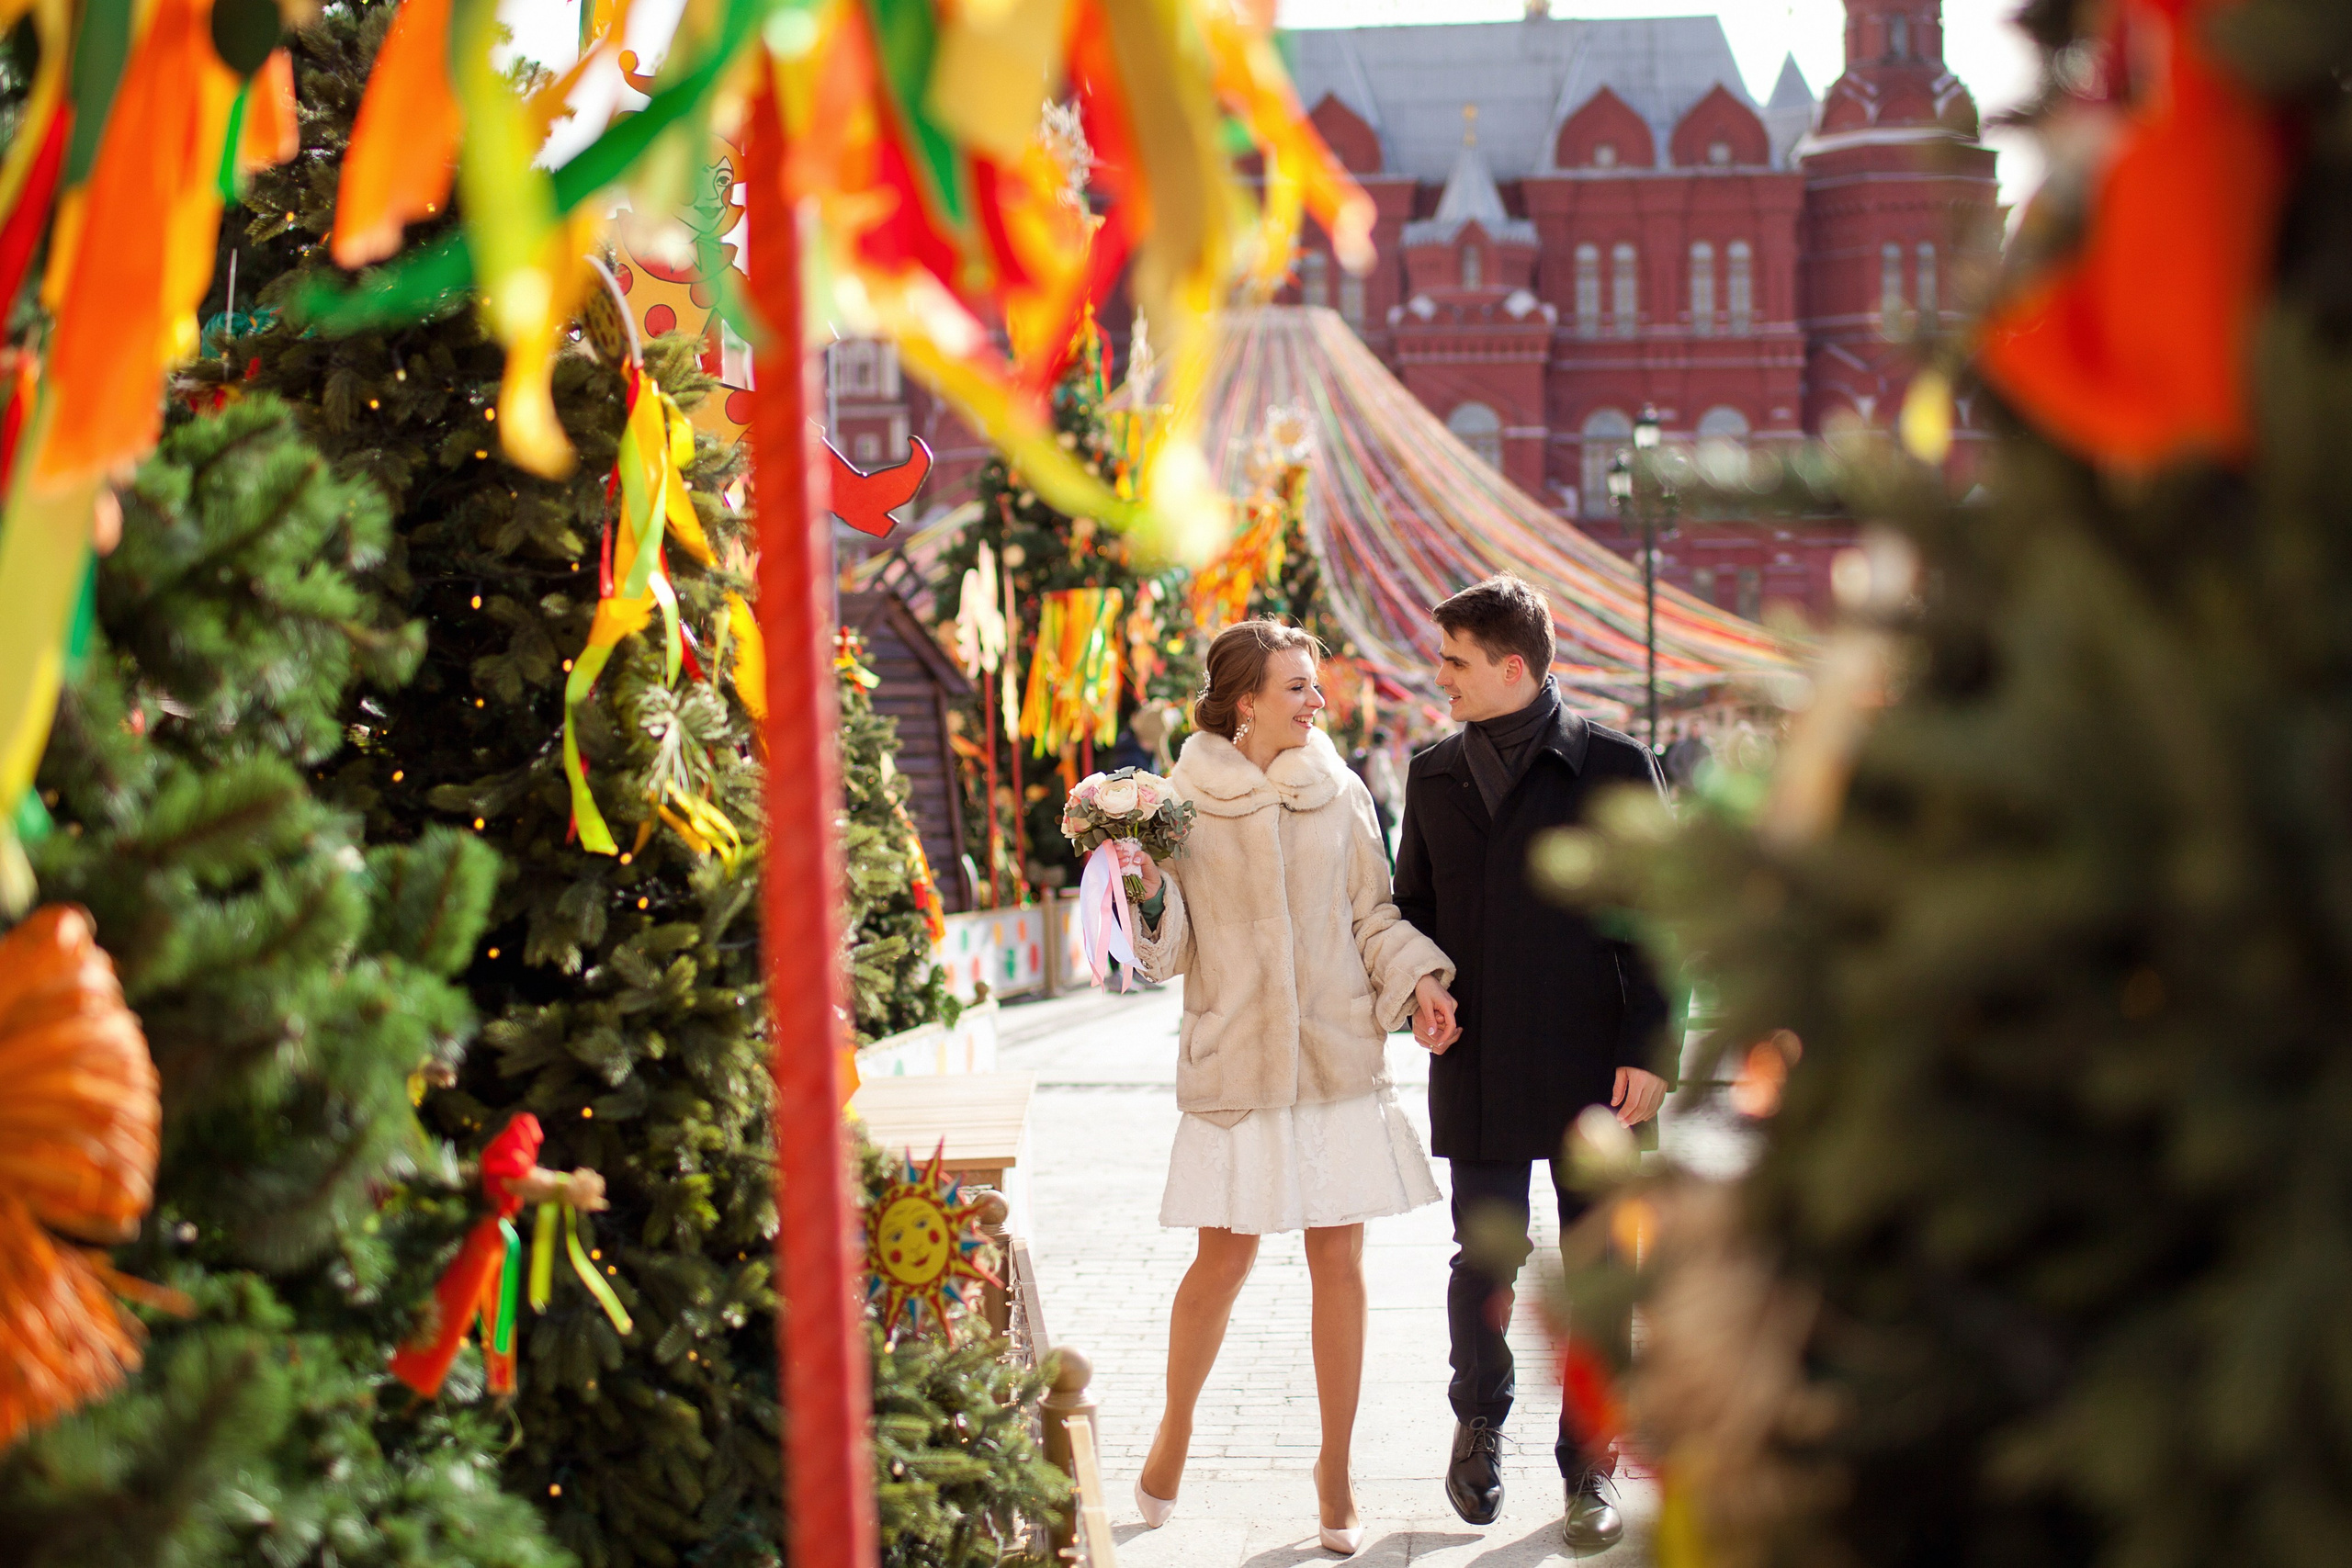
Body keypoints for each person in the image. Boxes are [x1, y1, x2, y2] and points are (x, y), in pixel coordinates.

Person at [1117, 619, 1461, 1556]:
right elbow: (1166, 950)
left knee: (1337, 1264)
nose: (1318, 702)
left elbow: (1372, 912)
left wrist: (1420, 982)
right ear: (1245, 702)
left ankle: (1336, 1468)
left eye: (1315, 686)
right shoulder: (1176, 802)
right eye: (1298, 687)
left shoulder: (1339, 788)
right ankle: (1175, 1428)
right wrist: (1143, 888)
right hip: (1236, 1060)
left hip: (1332, 1058)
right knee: (1221, 1262)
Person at [1391, 574, 1673, 1551]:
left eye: (1455, 661)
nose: (1441, 678)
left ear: (1513, 668)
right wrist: (1416, 988)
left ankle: (1588, 1470)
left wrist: (1651, 1050)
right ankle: (1480, 1423)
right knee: (1488, 1257)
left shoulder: (1614, 766)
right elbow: (1411, 914)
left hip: (1602, 1065)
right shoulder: (1430, 774)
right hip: (1479, 1057)